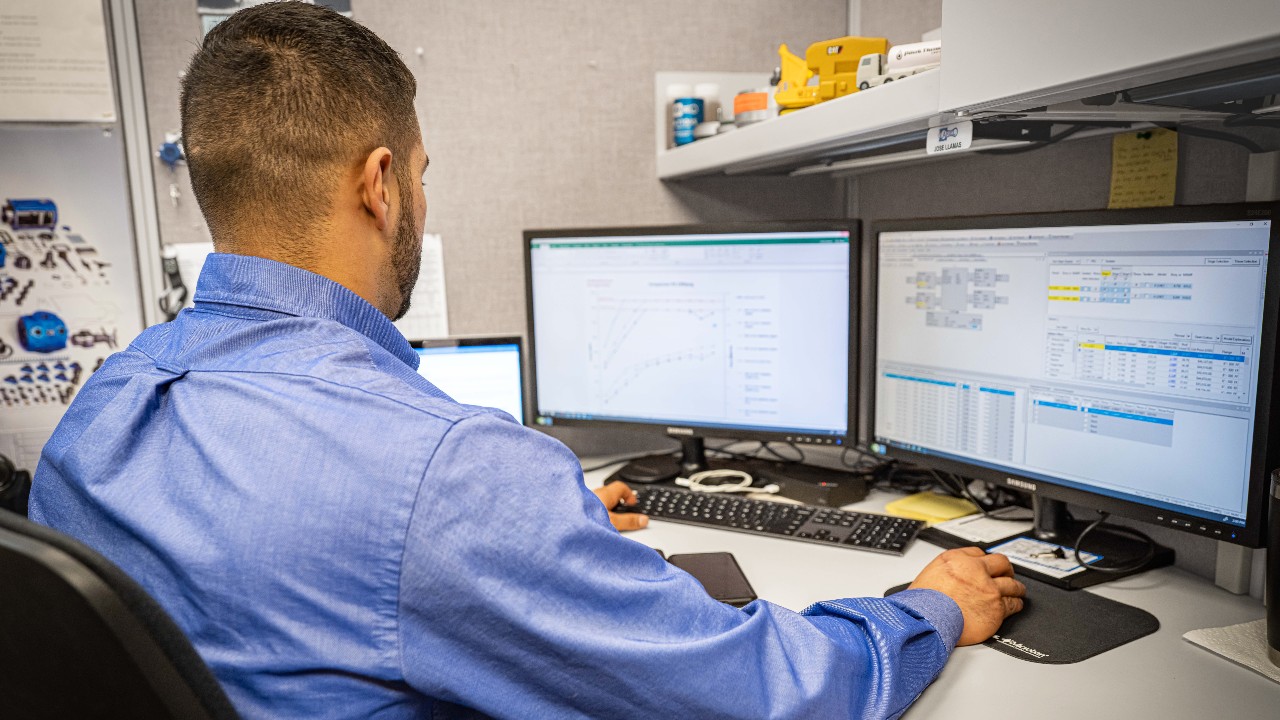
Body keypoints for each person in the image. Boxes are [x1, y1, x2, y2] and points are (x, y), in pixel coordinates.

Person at [29, 4, 1025, 719]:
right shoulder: (444, 471)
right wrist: (926, 607)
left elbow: (280, 577)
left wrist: (524, 540)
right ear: (379, 186)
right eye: (420, 177)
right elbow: (765, 695)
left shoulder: (104, 408)